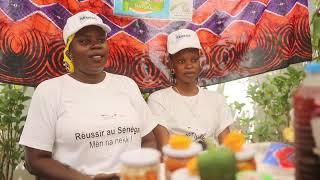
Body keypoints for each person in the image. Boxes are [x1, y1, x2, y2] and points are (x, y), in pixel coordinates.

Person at [19, 11, 158, 179]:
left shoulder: (126, 84)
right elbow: (35, 159)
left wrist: (138, 171)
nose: (96, 45)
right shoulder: (49, 91)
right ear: (69, 51)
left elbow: (149, 140)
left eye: (101, 40)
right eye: (85, 41)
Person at [148, 29, 234, 147]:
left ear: (200, 63)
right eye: (181, 61)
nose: (189, 66)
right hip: (179, 164)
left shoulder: (217, 100)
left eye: (194, 60)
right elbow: (165, 149)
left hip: (213, 163)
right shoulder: (158, 100)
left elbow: (228, 146)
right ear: (171, 65)